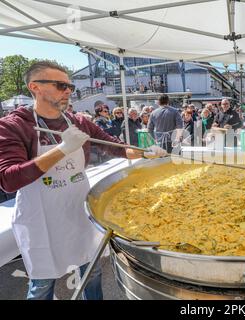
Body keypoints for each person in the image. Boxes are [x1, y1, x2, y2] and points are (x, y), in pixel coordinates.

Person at [0, 61, 166, 300]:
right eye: (60, 85)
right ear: (34, 87)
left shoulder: (78, 121)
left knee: (92, 271)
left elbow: (115, 147)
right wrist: (62, 149)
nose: (68, 90)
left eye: (69, 85)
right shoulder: (13, 126)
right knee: (43, 285)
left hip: (78, 211)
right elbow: (9, 179)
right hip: (41, 219)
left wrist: (145, 152)